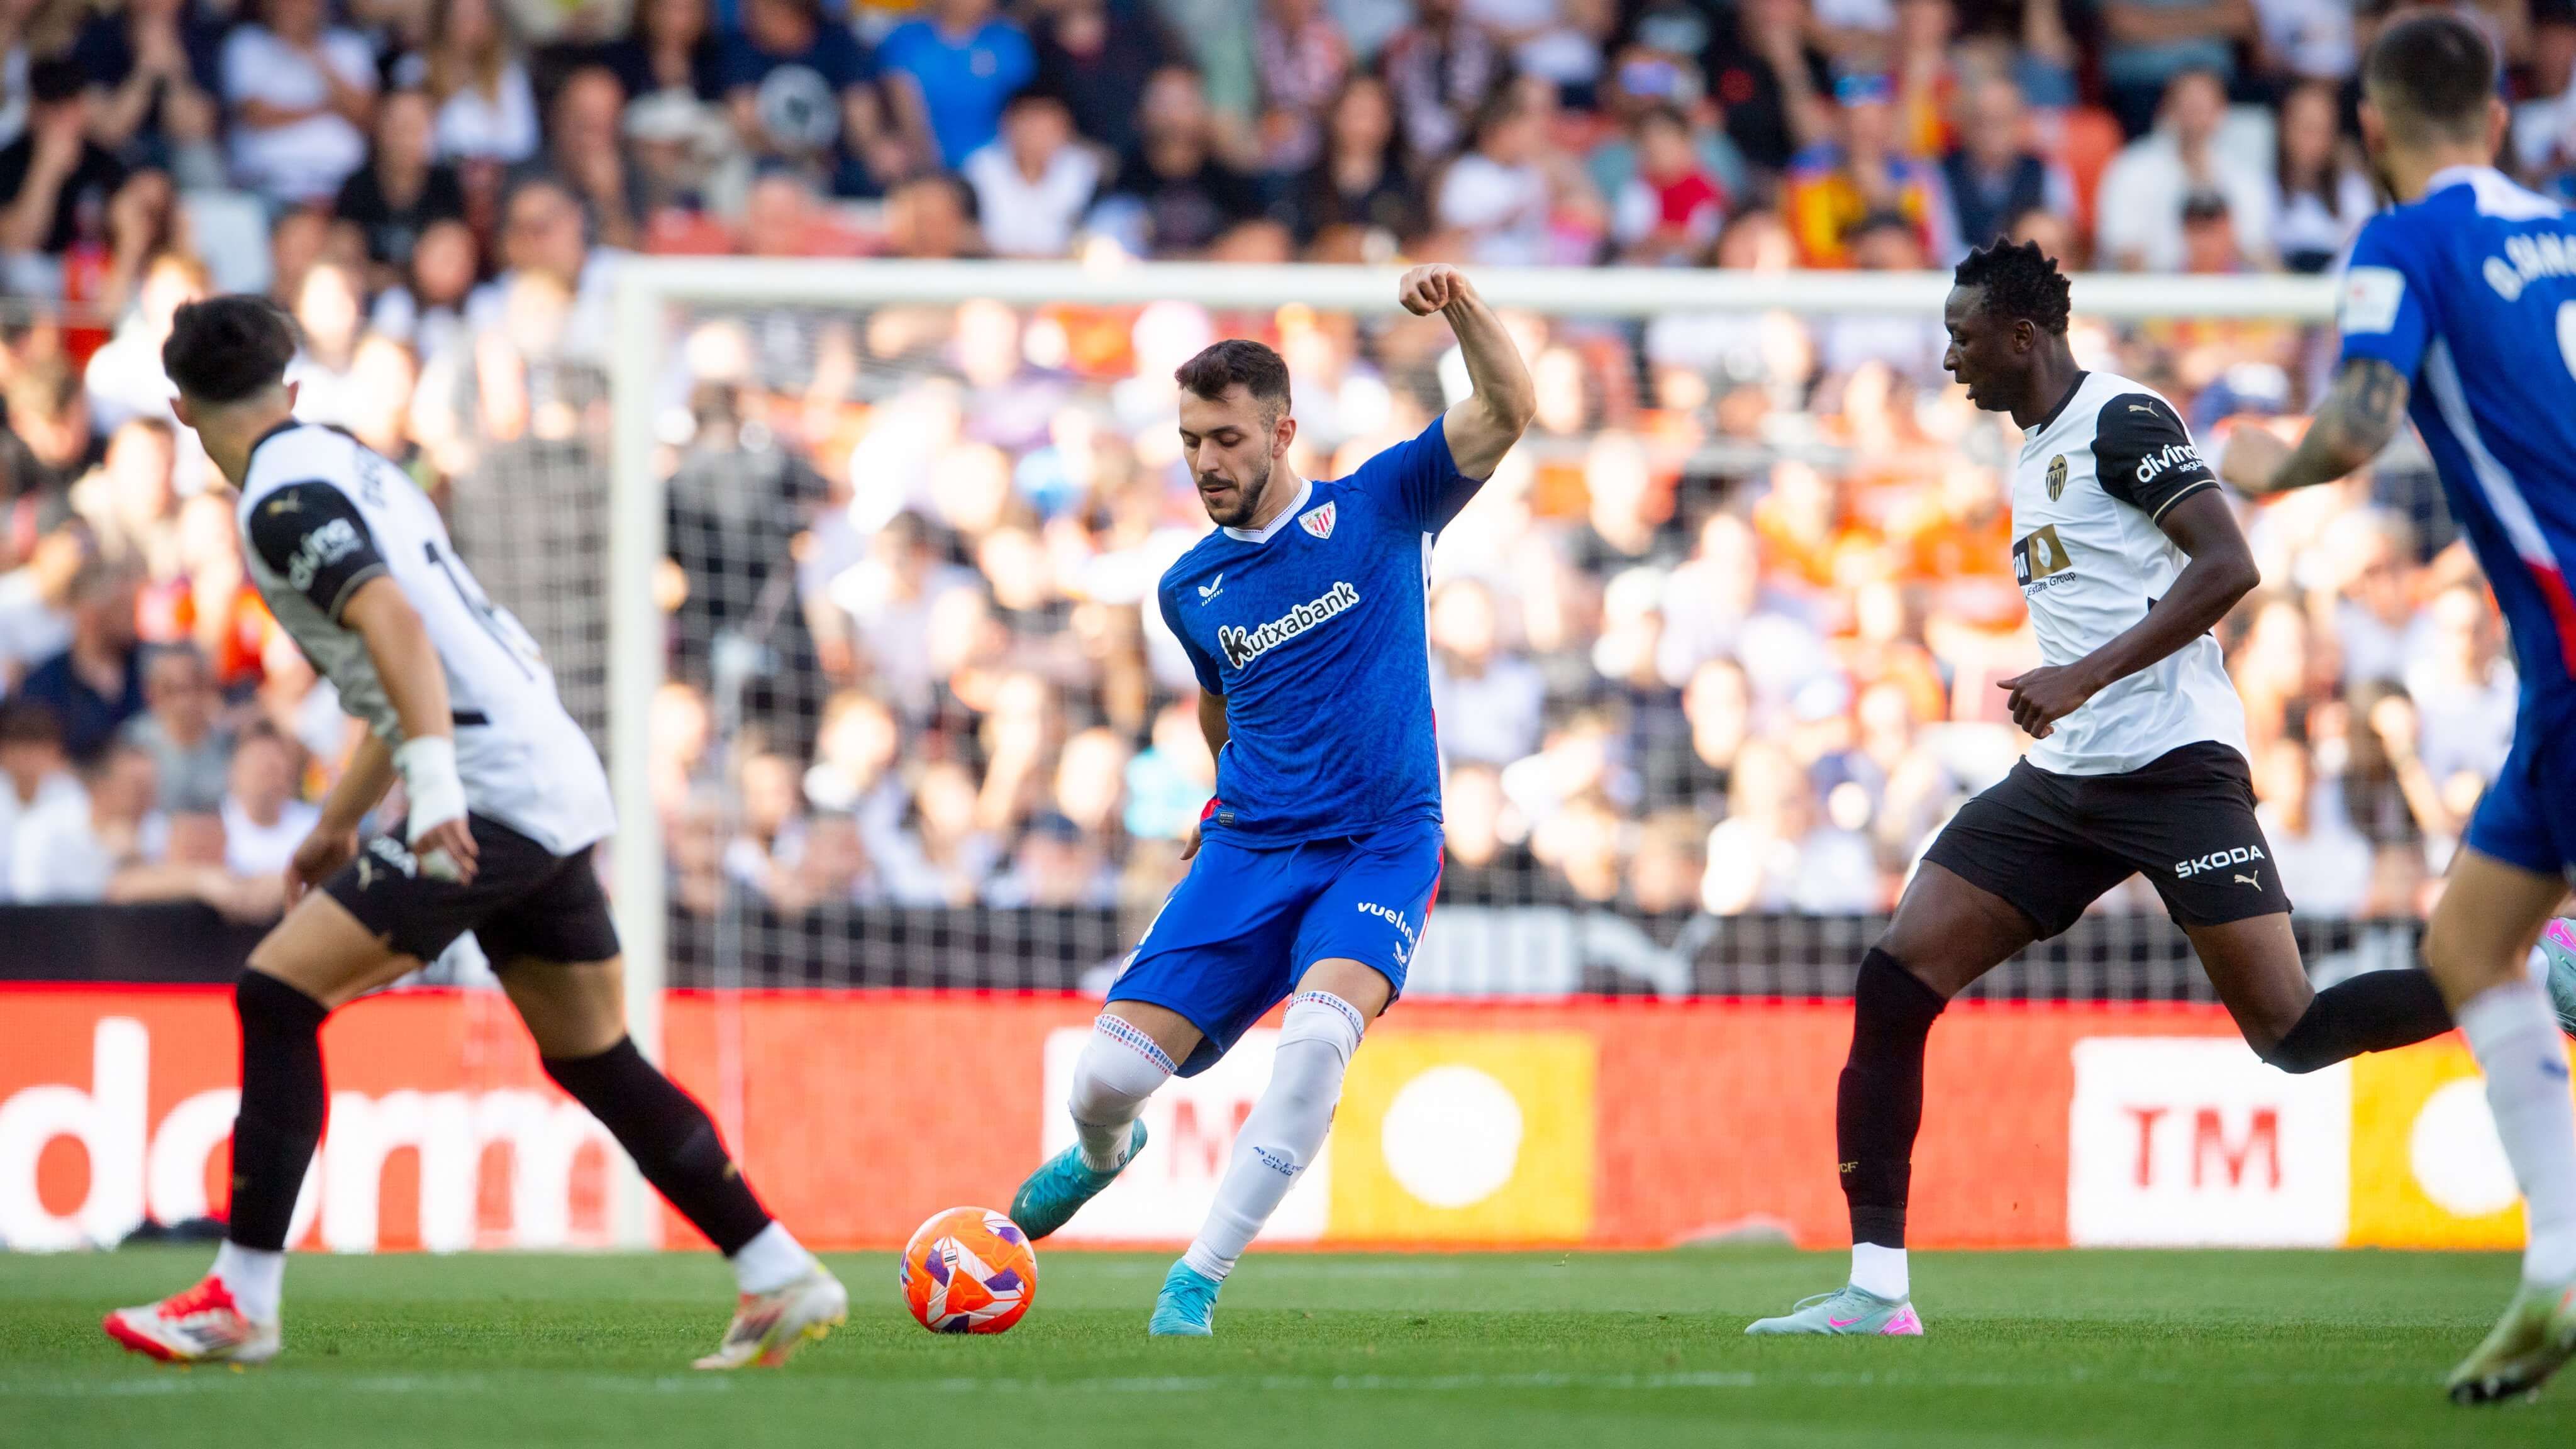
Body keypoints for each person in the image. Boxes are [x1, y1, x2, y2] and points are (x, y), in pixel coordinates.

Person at [103, 296, 844, 1369]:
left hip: (491, 786)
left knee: (275, 992)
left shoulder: (278, 500)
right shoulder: (354, 464)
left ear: (180, 409)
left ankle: (241, 1298)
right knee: (595, 1054)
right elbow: (407, 666)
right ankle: (778, 1270)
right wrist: (339, 824)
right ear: (294, 389)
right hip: (544, 764)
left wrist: (436, 794)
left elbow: (398, 634)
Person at [1745, 238, 2457, 1339]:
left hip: (2177, 768)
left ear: (2022, 335)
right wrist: (2068, 692)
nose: (1949, 357)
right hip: (2066, 781)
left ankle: (2527, 973)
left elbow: (2231, 565)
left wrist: (2081, 675)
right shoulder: (2030, 452)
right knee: (1895, 984)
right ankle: (1877, 1294)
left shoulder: (2125, 421)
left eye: (1961, 334)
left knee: (2293, 1032)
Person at [1004, 264, 1532, 1335]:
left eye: (1228, 439)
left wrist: (1463, 311)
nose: (1206, 460)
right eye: (1193, 439)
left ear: (1283, 433)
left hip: (1382, 845)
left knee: (1316, 1045)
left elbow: (1509, 409)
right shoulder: (1188, 588)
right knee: (1105, 1078)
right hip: (1248, 848)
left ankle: (1194, 1283)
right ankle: (1110, 1155)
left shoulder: (1382, 506)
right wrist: (1224, 805)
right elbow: (1222, 705)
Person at [2218, 13, 2576, 1404]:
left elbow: (2358, 420)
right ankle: (2553, 1268)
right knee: (2472, 941)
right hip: (2553, 674)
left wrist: (2266, 459)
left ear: (2369, 128)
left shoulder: (2401, 242)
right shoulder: (2556, 229)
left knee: (2486, 951)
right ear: (2497, 113)